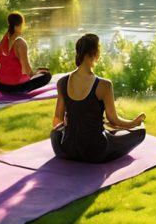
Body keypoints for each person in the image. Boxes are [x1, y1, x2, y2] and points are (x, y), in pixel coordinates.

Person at [50, 33, 147, 163]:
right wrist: (133, 123)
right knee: (140, 132)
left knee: (57, 134)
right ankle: (114, 134)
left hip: (68, 150)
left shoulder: (62, 82)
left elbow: (57, 119)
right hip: (95, 151)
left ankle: (104, 133)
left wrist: (71, 125)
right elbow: (113, 119)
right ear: (96, 53)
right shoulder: (104, 85)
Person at [0, 11, 51, 94]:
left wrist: (4, 77)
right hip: (16, 87)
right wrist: (37, 73)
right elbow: (26, 70)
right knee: (47, 76)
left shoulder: (3, 40)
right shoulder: (20, 42)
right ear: (19, 25)